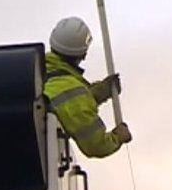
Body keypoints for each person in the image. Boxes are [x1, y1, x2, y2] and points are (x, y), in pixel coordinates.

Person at [44, 17, 132, 158]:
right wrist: (117, 137)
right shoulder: (74, 93)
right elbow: (96, 145)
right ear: (83, 54)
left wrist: (97, 93)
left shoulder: (39, 70)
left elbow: (67, 101)